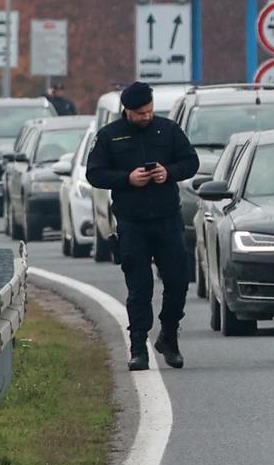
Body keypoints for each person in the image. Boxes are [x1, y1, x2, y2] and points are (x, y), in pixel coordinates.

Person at [85, 80, 199, 371]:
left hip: (167, 219)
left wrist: (168, 172)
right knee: (139, 287)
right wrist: (127, 179)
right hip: (132, 222)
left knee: (177, 280)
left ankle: (169, 336)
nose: (146, 117)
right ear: (127, 111)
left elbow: (191, 162)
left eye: (149, 111)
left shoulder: (168, 130)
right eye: (140, 113)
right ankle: (138, 347)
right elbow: (95, 174)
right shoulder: (110, 136)